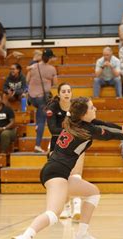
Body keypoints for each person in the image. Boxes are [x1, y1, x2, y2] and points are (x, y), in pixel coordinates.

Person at [11, 97, 123, 239]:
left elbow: (102, 123)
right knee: (53, 213)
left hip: (59, 172)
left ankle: (82, 236)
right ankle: (25, 237)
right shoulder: (86, 130)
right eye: (92, 108)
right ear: (84, 114)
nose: (95, 109)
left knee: (93, 192)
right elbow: (105, 134)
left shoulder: (76, 122)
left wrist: (122, 128)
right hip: (56, 173)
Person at [46, 83, 83, 220]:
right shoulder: (52, 108)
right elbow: (52, 129)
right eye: (64, 91)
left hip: (76, 142)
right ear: (59, 94)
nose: (67, 93)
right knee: (62, 177)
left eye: (69, 91)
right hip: (58, 143)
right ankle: (66, 207)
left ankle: (77, 206)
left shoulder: (77, 108)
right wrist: (69, 131)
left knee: (76, 174)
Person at [27, 48, 58, 153]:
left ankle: (36, 125)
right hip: (41, 98)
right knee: (42, 121)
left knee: (39, 111)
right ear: (50, 58)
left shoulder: (33, 66)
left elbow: (27, 80)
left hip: (31, 97)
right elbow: (55, 83)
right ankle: (37, 145)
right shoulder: (52, 69)